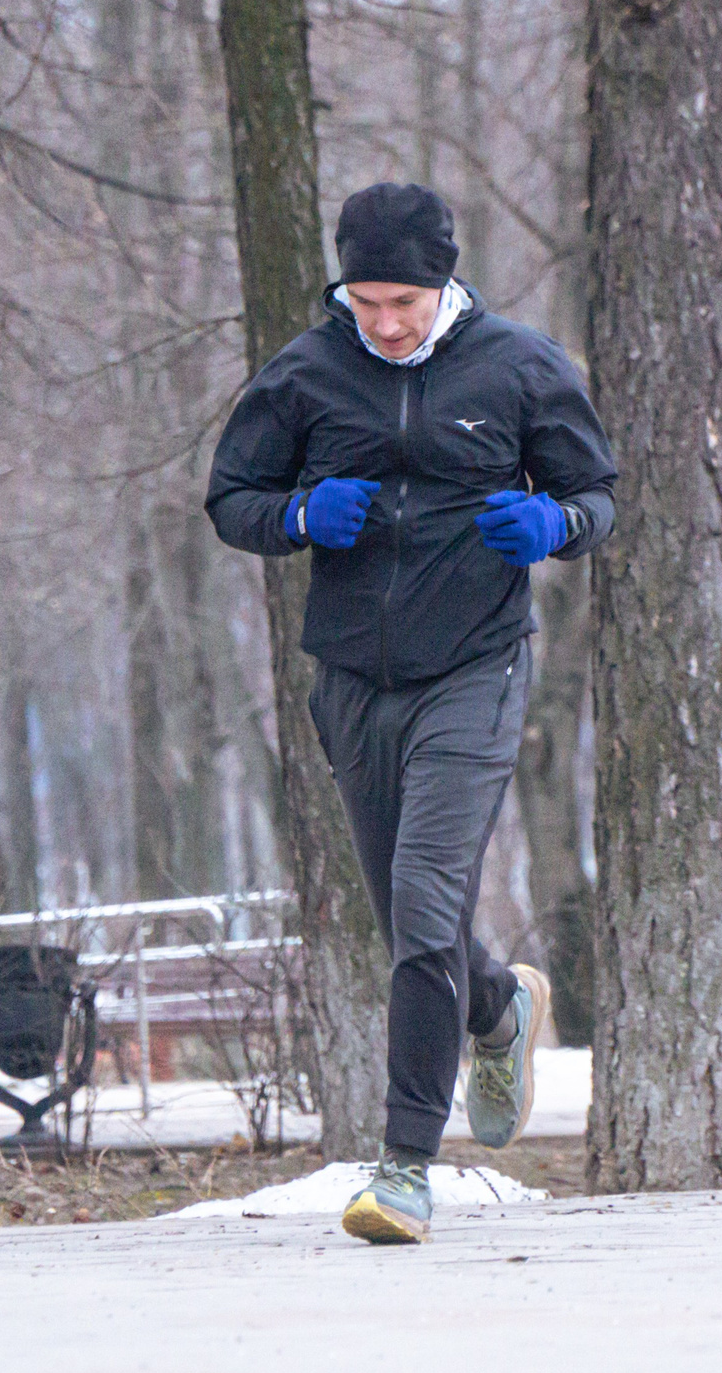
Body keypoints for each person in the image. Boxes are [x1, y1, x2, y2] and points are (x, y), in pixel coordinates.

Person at [208, 182, 616, 1243]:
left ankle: (403, 1166)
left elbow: (598, 495)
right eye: (367, 301)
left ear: (444, 284)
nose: (386, 323)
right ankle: (495, 1008)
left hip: (474, 668)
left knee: (426, 901)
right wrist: (296, 513)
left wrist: (554, 522)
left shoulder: (519, 366)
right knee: (407, 921)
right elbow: (230, 499)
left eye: (406, 301)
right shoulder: (304, 373)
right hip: (350, 676)